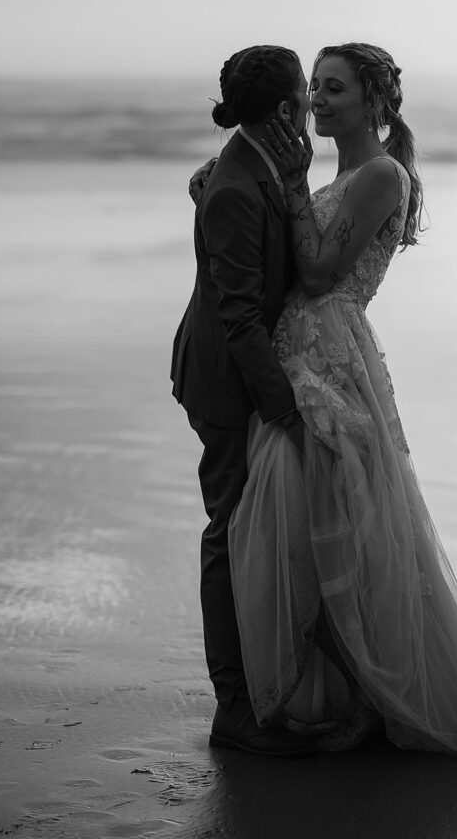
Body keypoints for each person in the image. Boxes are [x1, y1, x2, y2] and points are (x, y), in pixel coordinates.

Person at [224, 42, 457, 757]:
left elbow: (315, 273)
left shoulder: (379, 175)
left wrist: (289, 182)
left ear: (375, 101)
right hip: (300, 353)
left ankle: (374, 698)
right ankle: (345, 693)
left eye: (333, 88)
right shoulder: (341, 174)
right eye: (313, 87)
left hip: (331, 363)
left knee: (342, 531)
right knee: (303, 527)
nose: (317, 100)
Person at [170, 44, 315, 757]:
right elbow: (237, 317)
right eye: (306, 98)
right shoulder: (231, 185)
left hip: (244, 370)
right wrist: (283, 407)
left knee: (251, 529)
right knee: (227, 536)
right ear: (286, 110)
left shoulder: (267, 166)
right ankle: (233, 708)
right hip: (227, 382)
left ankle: (277, 683)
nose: (314, 107)